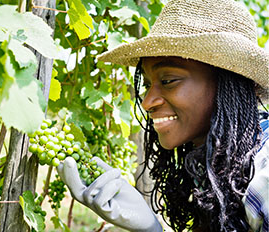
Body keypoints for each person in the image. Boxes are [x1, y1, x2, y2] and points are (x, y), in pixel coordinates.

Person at [57, 0, 269, 231]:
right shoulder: (218, 162)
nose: (147, 102)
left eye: (168, 81)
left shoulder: (263, 179)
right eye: (147, 85)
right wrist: (150, 228)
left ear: (226, 84)